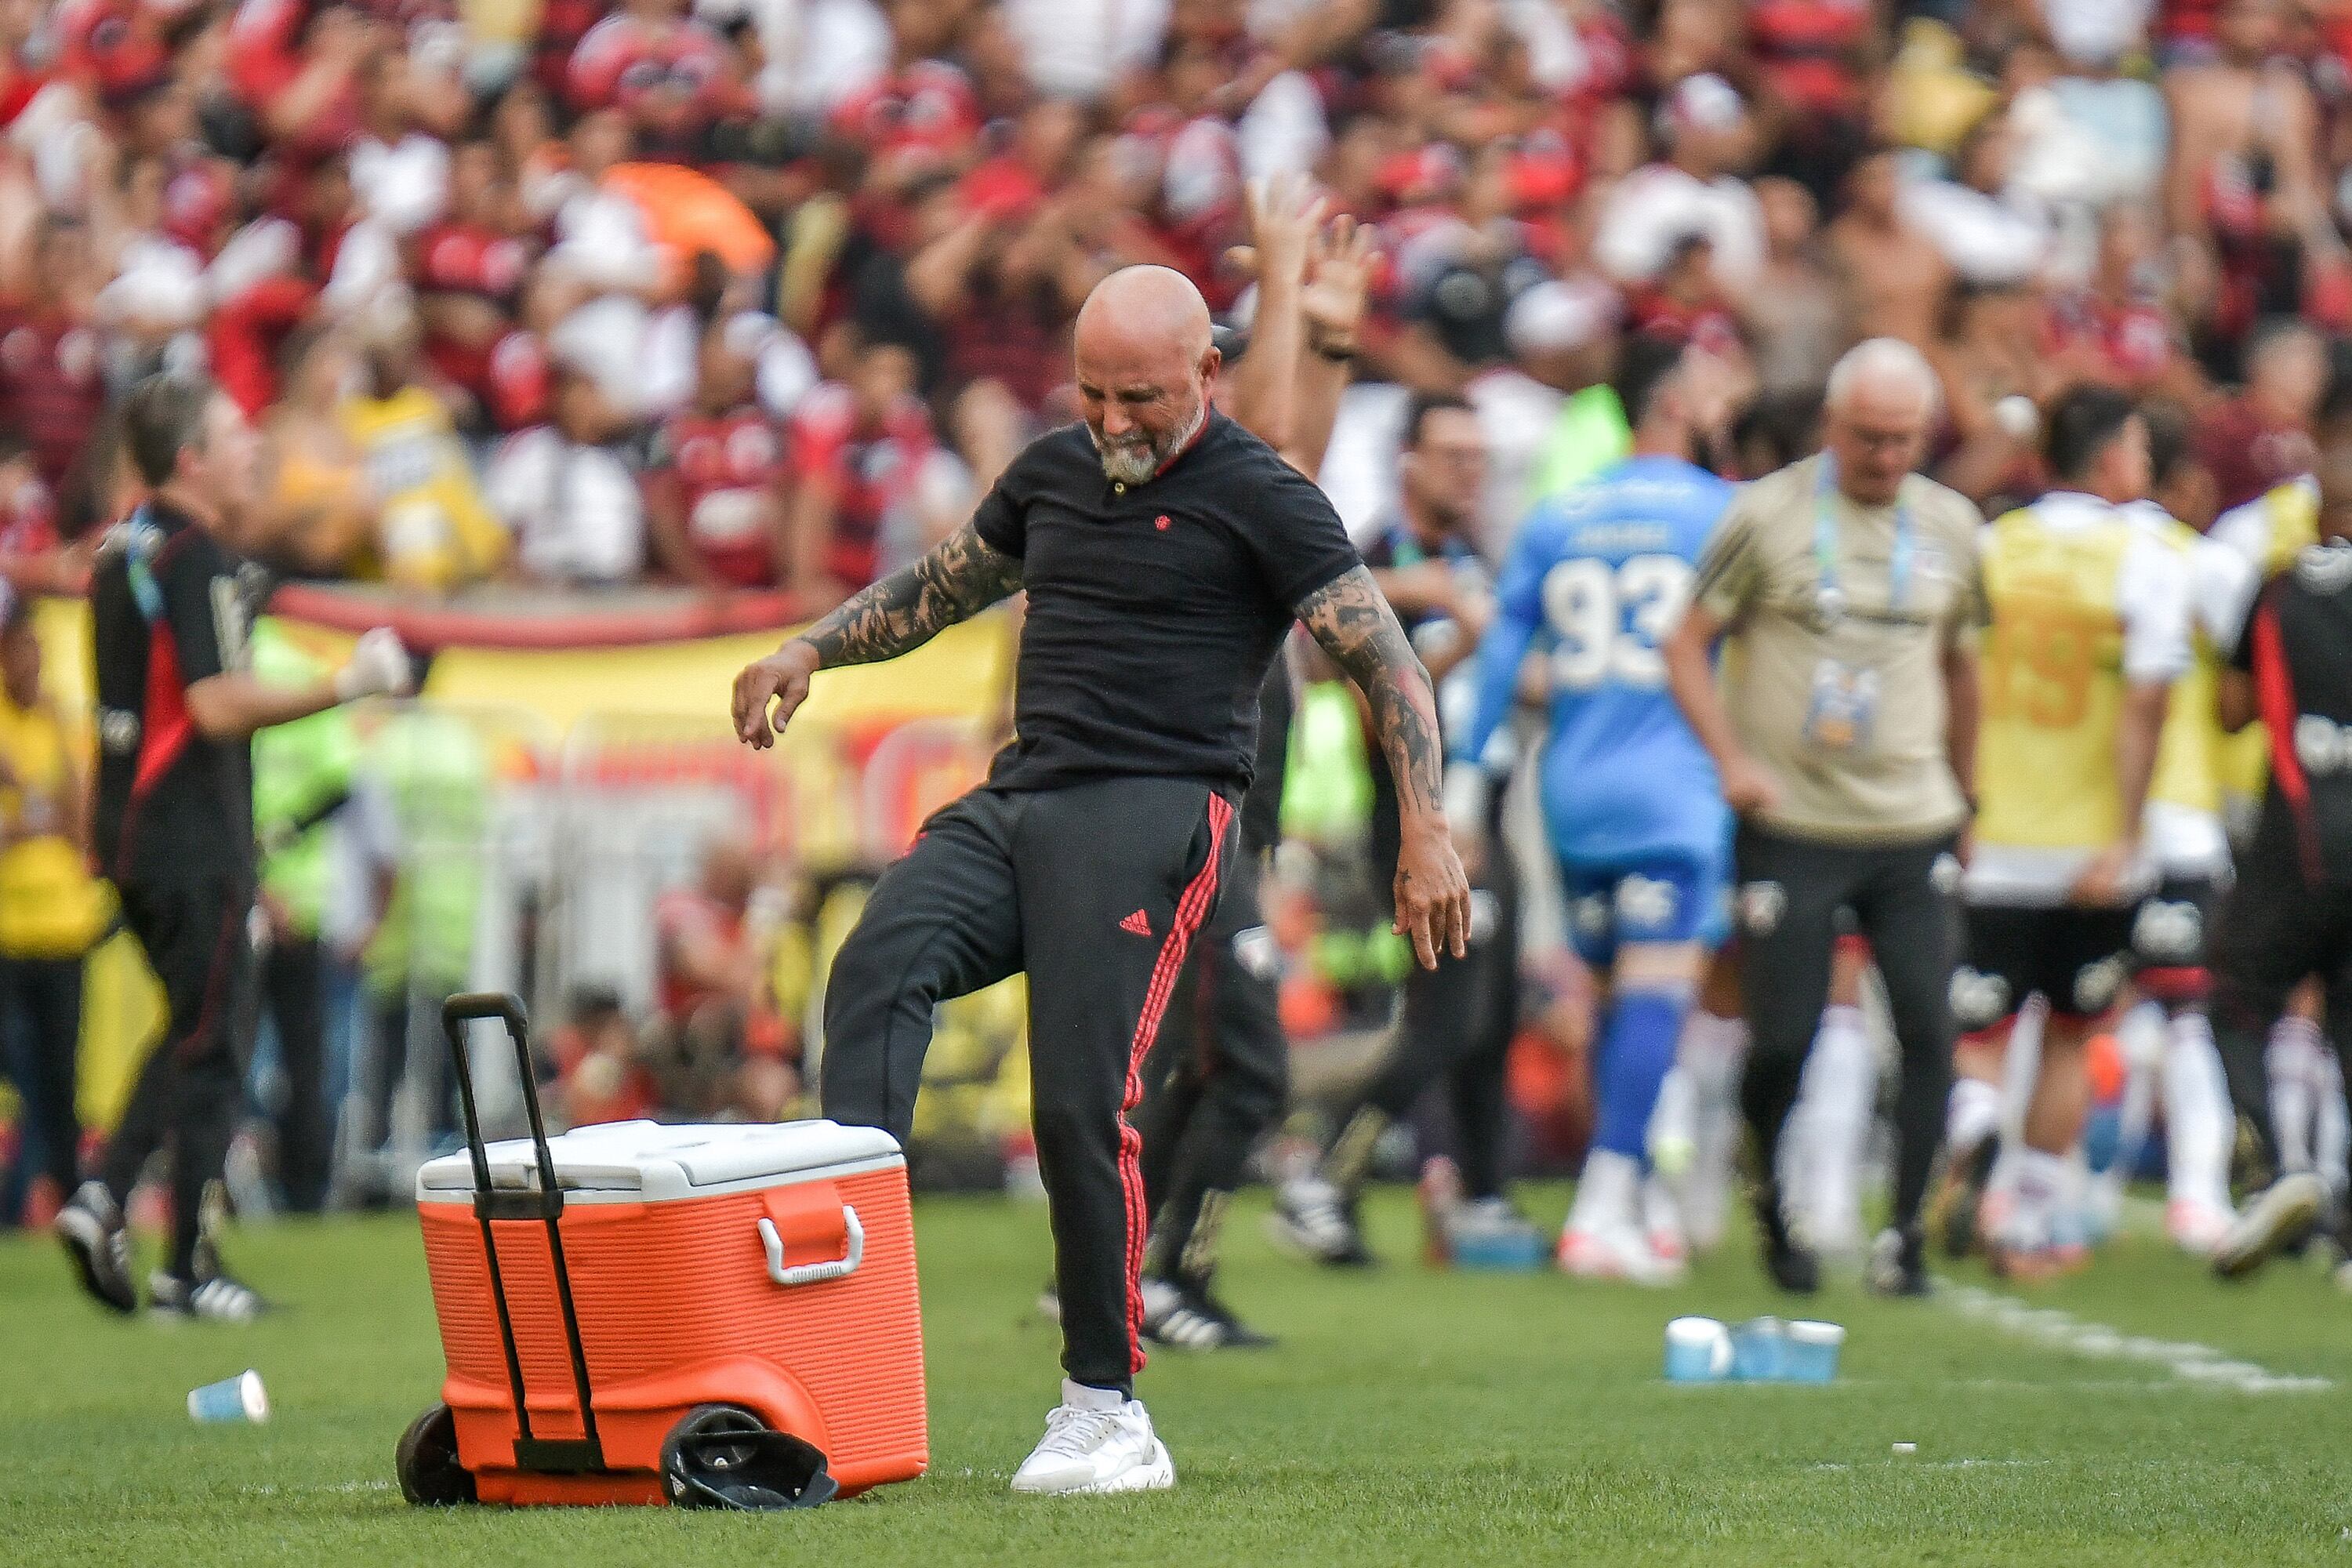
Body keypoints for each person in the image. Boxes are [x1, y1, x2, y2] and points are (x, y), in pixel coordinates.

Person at [730, 263, 1468, 1496]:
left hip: (1157, 808)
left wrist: (1427, 830)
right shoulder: (1051, 473)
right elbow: (943, 584)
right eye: (1094, 394)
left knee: (1079, 1102)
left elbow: (1386, 661)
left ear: (1208, 374)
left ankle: (1107, 1411)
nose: (1115, 421)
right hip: (1025, 795)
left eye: (1142, 397)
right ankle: (844, 1314)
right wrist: (813, 647)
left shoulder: (1263, 497)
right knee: (876, 963)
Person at [55, 372, 412, 1320]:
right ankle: (165, 1243)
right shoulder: (195, 555)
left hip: (130, 829)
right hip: (191, 832)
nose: (253, 446)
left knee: (196, 1024)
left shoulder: (124, 548)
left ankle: (124, 1209)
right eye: (234, 433)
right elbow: (215, 704)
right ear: (191, 460)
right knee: (215, 1035)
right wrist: (349, 682)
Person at [1661, 337, 1986, 1298]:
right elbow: (1685, 641)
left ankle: (1906, 1238)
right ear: (1833, 426)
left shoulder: (1953, 526)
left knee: (1928, 1027)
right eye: (1869, 436)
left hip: (1912, 820)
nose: (1885, 456)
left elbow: (1965, 664)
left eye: (1903, 438)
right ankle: (1772, 1201)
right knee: (1782, 1038)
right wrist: (1731, 760)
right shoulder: (1766, 515)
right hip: (1795, 821)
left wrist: (1969, 794)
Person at [1453, 334, 1738, 1283]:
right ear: (1676, 402)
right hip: (1673, 784)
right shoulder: (1721, 512)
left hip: (1572, 786)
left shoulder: (1561, 513)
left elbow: (1502, 650)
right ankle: (1601, 1204)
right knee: (1661, 989)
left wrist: (1466, 778)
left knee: (1616, 996)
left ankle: (1638, 1193)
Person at [1268, 391, 1532, 1271]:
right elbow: (1365, 703)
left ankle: (1485, 1196)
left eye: (1478, 457)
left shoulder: (1470, 559)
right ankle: (1321, 1177)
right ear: (1407, 461)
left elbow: (1514, 681)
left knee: (1494, 1014)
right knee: (1445, 1019)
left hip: (1488, 811)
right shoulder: (1376, 563)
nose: (1470, 473)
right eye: (1453, 455)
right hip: (1422, 821)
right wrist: (1458, 640)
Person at [1945, 387, 2190, 1279]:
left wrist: (1961, 803)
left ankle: (1974, 1128)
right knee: (2070, 1033)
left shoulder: (1991, 545)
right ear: (2115, 454)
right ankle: (2029, 1220)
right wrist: (2125, 835)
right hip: (2089, 845)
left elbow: (1951, 675)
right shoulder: (2146, 555)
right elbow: (2146, 702)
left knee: (1979, 1036)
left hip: (1991, 834)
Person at [2205, 435, 2352, 1279]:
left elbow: (2232, 709)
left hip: (2301, 840)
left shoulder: (2282, 587)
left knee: (2236, 998)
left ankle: (2273, 1161)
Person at [0, 593, 107, 1224]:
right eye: (21, 651)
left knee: (61, 1079)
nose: (32, 664)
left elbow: (81, 826)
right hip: (8, 932)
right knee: (17, 1078)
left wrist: (34, 806)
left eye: (38, 651)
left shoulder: (61, 725)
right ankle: (16, 1199)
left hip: (65, 930)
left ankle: (68, 1203)